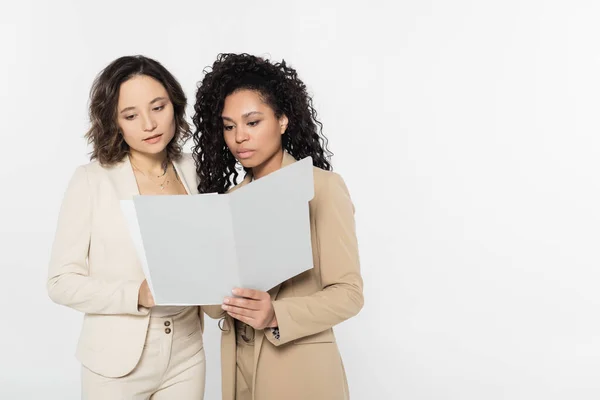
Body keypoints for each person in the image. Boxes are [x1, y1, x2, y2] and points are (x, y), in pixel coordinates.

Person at [192, 53, 364, 400]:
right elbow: (213, 307)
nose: (239, 137)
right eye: (228, 126)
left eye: (252, 122)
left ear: (283, 120)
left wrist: (276, 313)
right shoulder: (227, 201)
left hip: (300, 373)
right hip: (239, 371)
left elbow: (349, 294)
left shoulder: (321, 188)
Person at [47, 55, 206, 400]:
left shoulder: (195, 171)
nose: (149, 124)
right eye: (131, 116)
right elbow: (60, 283)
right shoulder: (91, 181)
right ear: (114, 123)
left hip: (187, 353)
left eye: (158, 107)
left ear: (174, 106)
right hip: (115, 362)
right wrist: (137, 294)